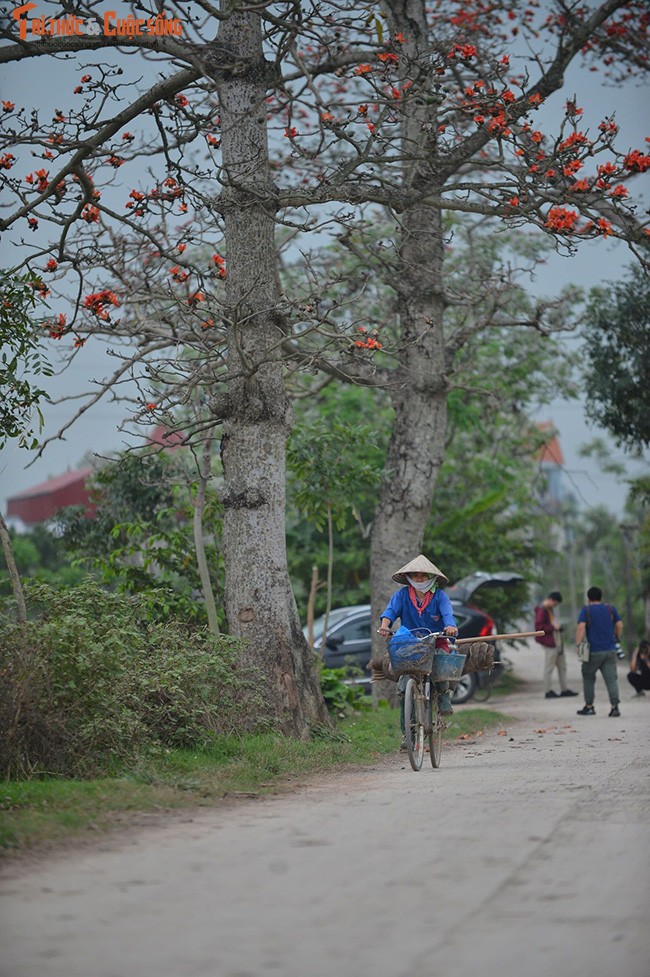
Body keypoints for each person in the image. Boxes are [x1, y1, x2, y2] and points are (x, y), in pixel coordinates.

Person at [376, 555, 458, 748]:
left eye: (423, 576)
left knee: (441, 661)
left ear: (431, 577)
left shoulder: (440, 596)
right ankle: (408, 736)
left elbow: (448, 615)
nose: (420, 579)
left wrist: (450, 627)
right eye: (416, 576)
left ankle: (444, 696)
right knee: (405, 686)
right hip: (410, 644)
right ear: (410, 577)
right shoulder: (402, 595)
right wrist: (384, 625)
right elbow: (389, 612)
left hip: (436, 641)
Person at [575, 586, 623, 717]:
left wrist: (578, 645)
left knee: (588, 677)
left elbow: (581, 628)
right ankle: (615, 707)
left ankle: (589, 707)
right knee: (611, 679)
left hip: (593, 651)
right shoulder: (610, 608)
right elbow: (619, 625)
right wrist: (617, 638)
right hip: (610, 650)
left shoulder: (586, 610)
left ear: (589, 598)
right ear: (601, 597)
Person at [534, 590, 578, 699]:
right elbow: (539, 627)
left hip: (557, 641)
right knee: (549, 667)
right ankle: (547, 690)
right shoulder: (541, 610)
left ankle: (564, 689)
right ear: (551, 600)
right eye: (555, 604)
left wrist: (557, 628)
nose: (555, 606)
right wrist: (554, 628)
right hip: (549, 643)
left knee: (562, 666)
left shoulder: (549, 610)